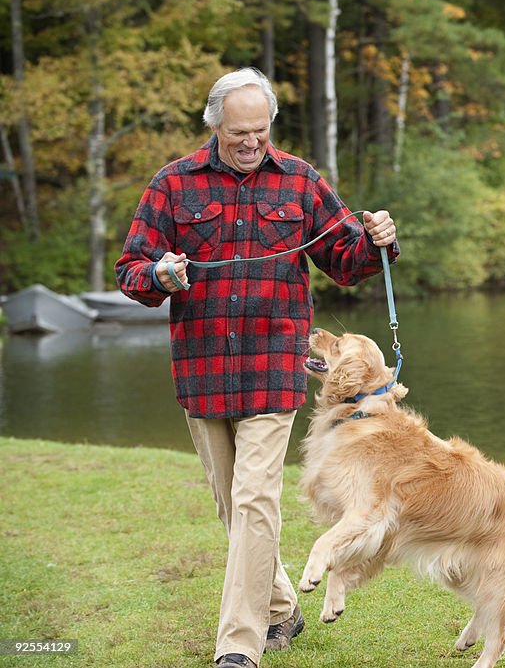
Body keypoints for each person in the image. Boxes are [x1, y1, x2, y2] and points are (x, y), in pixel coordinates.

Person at [115, 67, 398, 668]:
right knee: (232, 506)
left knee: (254, 503)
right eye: (239, 132)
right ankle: (280, 609)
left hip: (274, 368)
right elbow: (130, 273)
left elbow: (346, 261)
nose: (251, 144)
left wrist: (377, 240)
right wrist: (160, 275)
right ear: (215, 124)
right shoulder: (173, 184)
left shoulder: (300, 181)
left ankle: (238, 649)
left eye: (261, 132)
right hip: (204, 370)